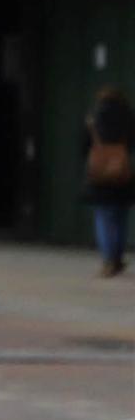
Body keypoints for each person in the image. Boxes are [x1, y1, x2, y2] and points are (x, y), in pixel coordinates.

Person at [83, 85, 133, 277]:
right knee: (120, 217)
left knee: (103, 217)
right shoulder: (128, 117)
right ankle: (118, 258)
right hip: (122, 173)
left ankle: (108, 260)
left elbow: (83, 144)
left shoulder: (93, 118)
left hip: (100, 175)